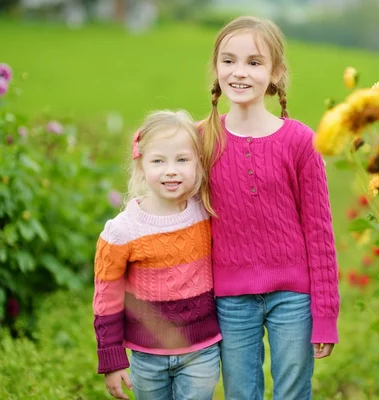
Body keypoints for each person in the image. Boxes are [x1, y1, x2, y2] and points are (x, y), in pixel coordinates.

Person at [200, 16, 340, 400]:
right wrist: (146, 147)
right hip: (230, 298)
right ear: (216, 68)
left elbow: (320, 232)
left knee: (293, 391)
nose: (239, 72)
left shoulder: (300, 141)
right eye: (228, 61)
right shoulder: (200, 139)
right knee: (241, 393)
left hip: (294, 297)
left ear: (276, 72)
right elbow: (161, 165)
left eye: (254, 62)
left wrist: (325, 316)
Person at [93, 110, 221, 400]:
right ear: (141, 166)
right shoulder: (121, 231)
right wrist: (112, 359)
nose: (171, 170)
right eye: (158, 161)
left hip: (201, 351)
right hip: (146, 356)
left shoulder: (207, 212)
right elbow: (106, 298)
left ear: (198, 163)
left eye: (182, 160)